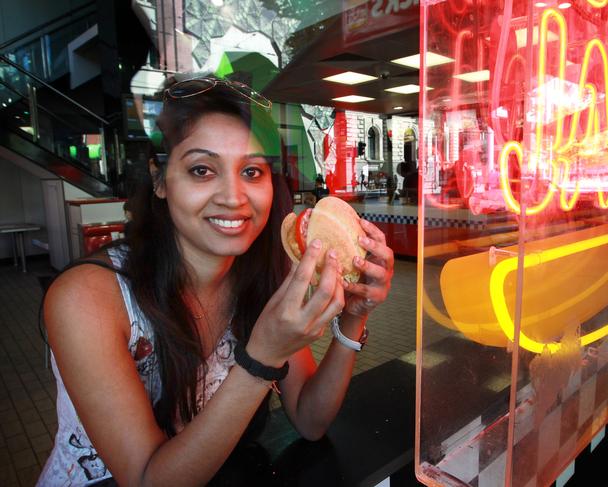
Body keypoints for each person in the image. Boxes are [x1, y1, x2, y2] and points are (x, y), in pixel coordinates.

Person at [37, 75, 394, 487]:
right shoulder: (87, 299)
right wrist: (260, 359)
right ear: (159, 179)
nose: (233, 197)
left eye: (252, 171)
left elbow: (310, 420)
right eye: (202, 169)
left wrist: (353, 317)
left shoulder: (261, 278)